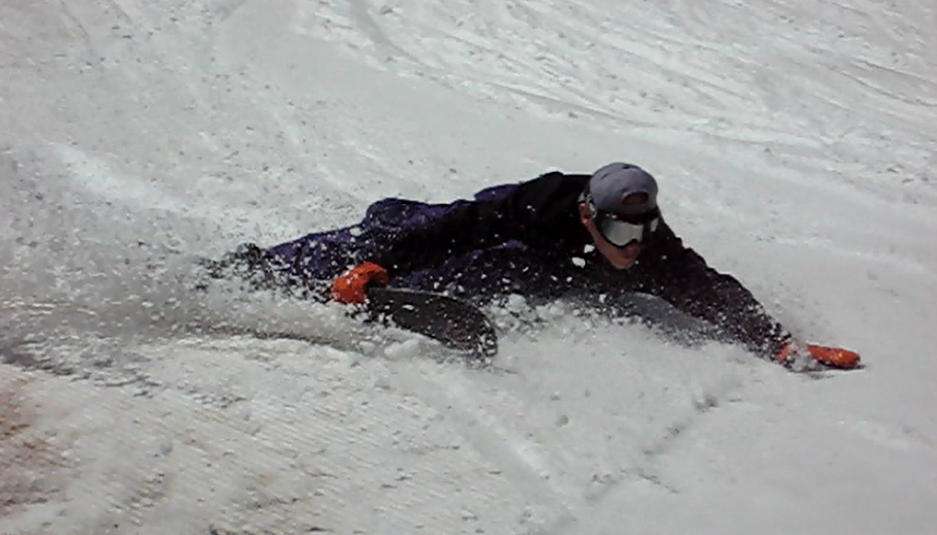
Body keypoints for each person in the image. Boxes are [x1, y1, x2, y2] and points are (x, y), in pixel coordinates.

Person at [213, 162, 860, 371]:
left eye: (641, 230)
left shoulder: (650, 245)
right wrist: (377, 261)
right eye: (618, 230)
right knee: (407, 231)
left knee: (493, 274)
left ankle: (389, 275)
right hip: (500, 225)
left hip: (536, 267)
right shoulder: (544, 203)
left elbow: (707, 290)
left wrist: (778, 342)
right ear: (587, 214)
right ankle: (263, 266)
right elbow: (459, 227)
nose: (632, 246)